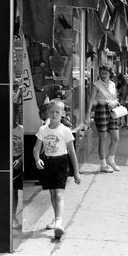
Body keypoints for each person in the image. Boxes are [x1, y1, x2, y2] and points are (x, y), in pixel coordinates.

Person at [33, 99, 81, 238]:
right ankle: (56, 219)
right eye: (52, 112)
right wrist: (37, 159)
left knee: (59, 194)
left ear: (62, 114)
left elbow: (72, 152)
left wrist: (76, 172)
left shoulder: (65, 130)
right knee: (52, 194)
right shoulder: (43, 129)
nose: (54, 115)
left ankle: (59, 223)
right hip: (48, 163)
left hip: (61, 163)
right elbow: (36, 148)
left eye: (57, 112)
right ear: (47, 112)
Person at [85, 63, 121, 173]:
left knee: (115, 137)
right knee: (103, 138)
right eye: (101, 73)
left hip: (112, 109)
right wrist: (87, 115)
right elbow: (91, 100)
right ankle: (103, 164)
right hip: (101, 109)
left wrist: (114, 102)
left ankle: (111, 159)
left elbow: (115, 97)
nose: (103, 75)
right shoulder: (96, 84)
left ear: (110, 73)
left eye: (105, 73)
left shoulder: (112, 84)